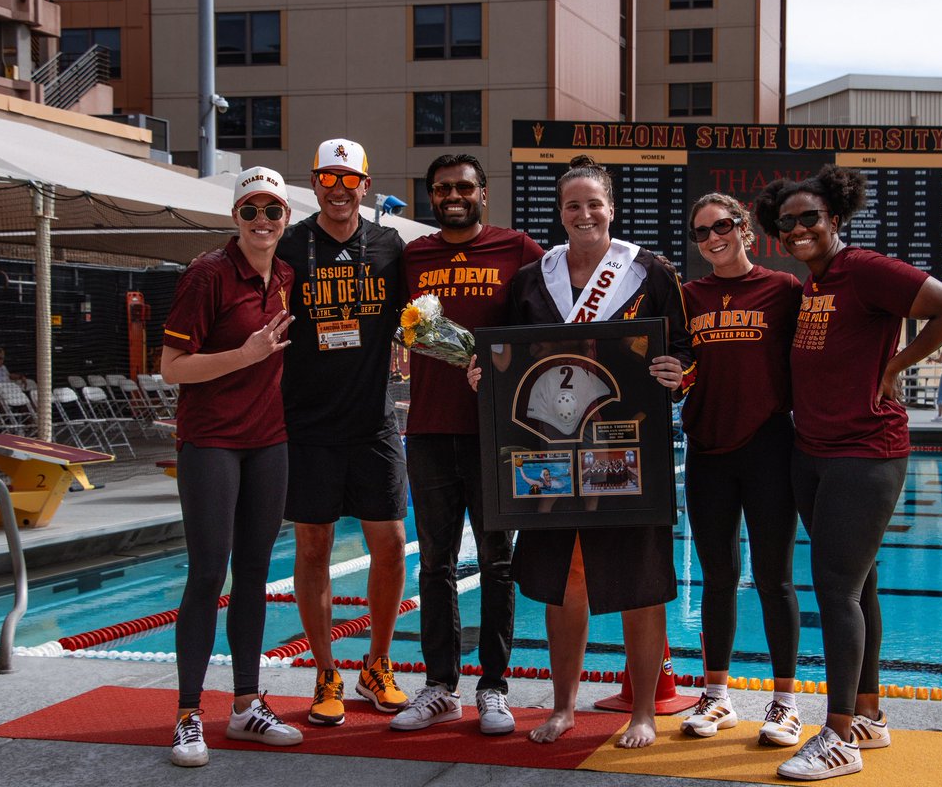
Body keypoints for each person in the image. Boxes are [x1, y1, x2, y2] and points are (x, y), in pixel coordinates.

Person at [754, 165, 942, 780]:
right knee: (862, 584)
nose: (798, 229)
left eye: (810, 218)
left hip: (864, 450)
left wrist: (894, 366)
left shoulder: (866, 270)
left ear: (835, 219)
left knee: (836, 590)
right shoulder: (813, 285)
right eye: (787, 222)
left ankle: (838, 736)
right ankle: (870, 716)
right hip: (813, 450)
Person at [469, 155, 693, 749]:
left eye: (594, 203)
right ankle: (564, 707)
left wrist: (678, 370)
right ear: (560, 213)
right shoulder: (530, 279)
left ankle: (642, 711)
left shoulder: (649, 272)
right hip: (547, 454)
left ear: (611, 209)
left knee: (639, 582)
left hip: (628, 451)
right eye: (573, 204)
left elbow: (687, 351)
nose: (584, 213)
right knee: (567, 580)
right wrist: (484, 376)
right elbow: (507, 357)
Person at [393, 154, 543, 735]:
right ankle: (439, 686)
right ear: (431, 196)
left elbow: (545, 326)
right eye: (442, 188)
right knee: (434, 565)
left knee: (498, 563)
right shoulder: (416, 255)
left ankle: (494, 687)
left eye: (463, 187)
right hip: (429, 429)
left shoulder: (518, 250)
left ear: (483, 192)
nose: (453, 195)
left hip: (495, 433)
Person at [160, 166, 303, 767]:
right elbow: (171, 367)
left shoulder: (288, 275)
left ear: (285, 219)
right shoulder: (207, 275)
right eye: (251, 211)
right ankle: (188, 716)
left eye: (273, 212)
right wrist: (242, 355)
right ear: (235, 217)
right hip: (213, 442)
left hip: (268, 442)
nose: (263, 222)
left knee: (255, 574)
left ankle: (246, 705)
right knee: (206, 574)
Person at [276, 139, 410, 727]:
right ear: (313, 184)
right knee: (313, 547)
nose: (337, 188)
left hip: (374, 421)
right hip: (307, 424)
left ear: (365, 183)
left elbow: (419, 321)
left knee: (388, 543)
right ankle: (326, 670)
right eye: (326, 178)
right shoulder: (287, 247)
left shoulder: (388, 245)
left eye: (347, 179)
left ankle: (377, 663)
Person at [676, 193, 804, 744]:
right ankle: (718, 696)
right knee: (717, 579)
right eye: (701, 232)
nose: (712, 239)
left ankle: (785, 702)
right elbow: (676, 364)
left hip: (770, 445)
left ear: (745, 229)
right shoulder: (688, 297)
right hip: (707, 449)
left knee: (774, 579)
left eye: (721, 226)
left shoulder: (784, 290)